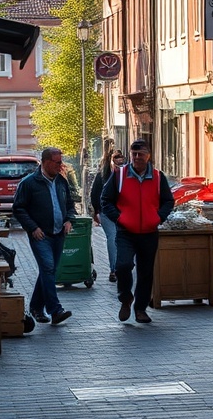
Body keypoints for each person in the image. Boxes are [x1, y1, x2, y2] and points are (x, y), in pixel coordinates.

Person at [100, 138, 174, 324]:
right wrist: (119, 217)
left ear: (148, 156)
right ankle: (125, 298)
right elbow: (105, 200)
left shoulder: (158, 177)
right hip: (126, 231)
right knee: (122, 266)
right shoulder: (119, 175)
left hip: (149, 231)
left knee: (146, 272)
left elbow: (168, 201)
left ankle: (140, 309)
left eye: (141, 154)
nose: (137, 157)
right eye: (134, 154)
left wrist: (158, 218)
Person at [12, 147, 77, 326]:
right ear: (46, 162)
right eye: (57, 162)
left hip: (59, 233)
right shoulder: (30, 183)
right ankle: (55, 310)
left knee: (49, 271)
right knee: (48, 268)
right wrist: (33, 227)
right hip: (40, 235)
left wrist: (69, 220)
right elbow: (18, 208)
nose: (60, 166)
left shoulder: (61, 182)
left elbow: (70, 205)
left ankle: (36, 307)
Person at [90, 147, 124, 283]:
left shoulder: (105, 175)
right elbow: (95, 194)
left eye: (121, 159)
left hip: (114, 212)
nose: (120, 162)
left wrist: (96, 211)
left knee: (115, 238)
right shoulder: (105, 175)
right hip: (109, 212)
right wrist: (97, 211)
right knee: (113, 237)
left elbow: (94, 194)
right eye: (117, 159)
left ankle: (117, 269)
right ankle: (114, 269)